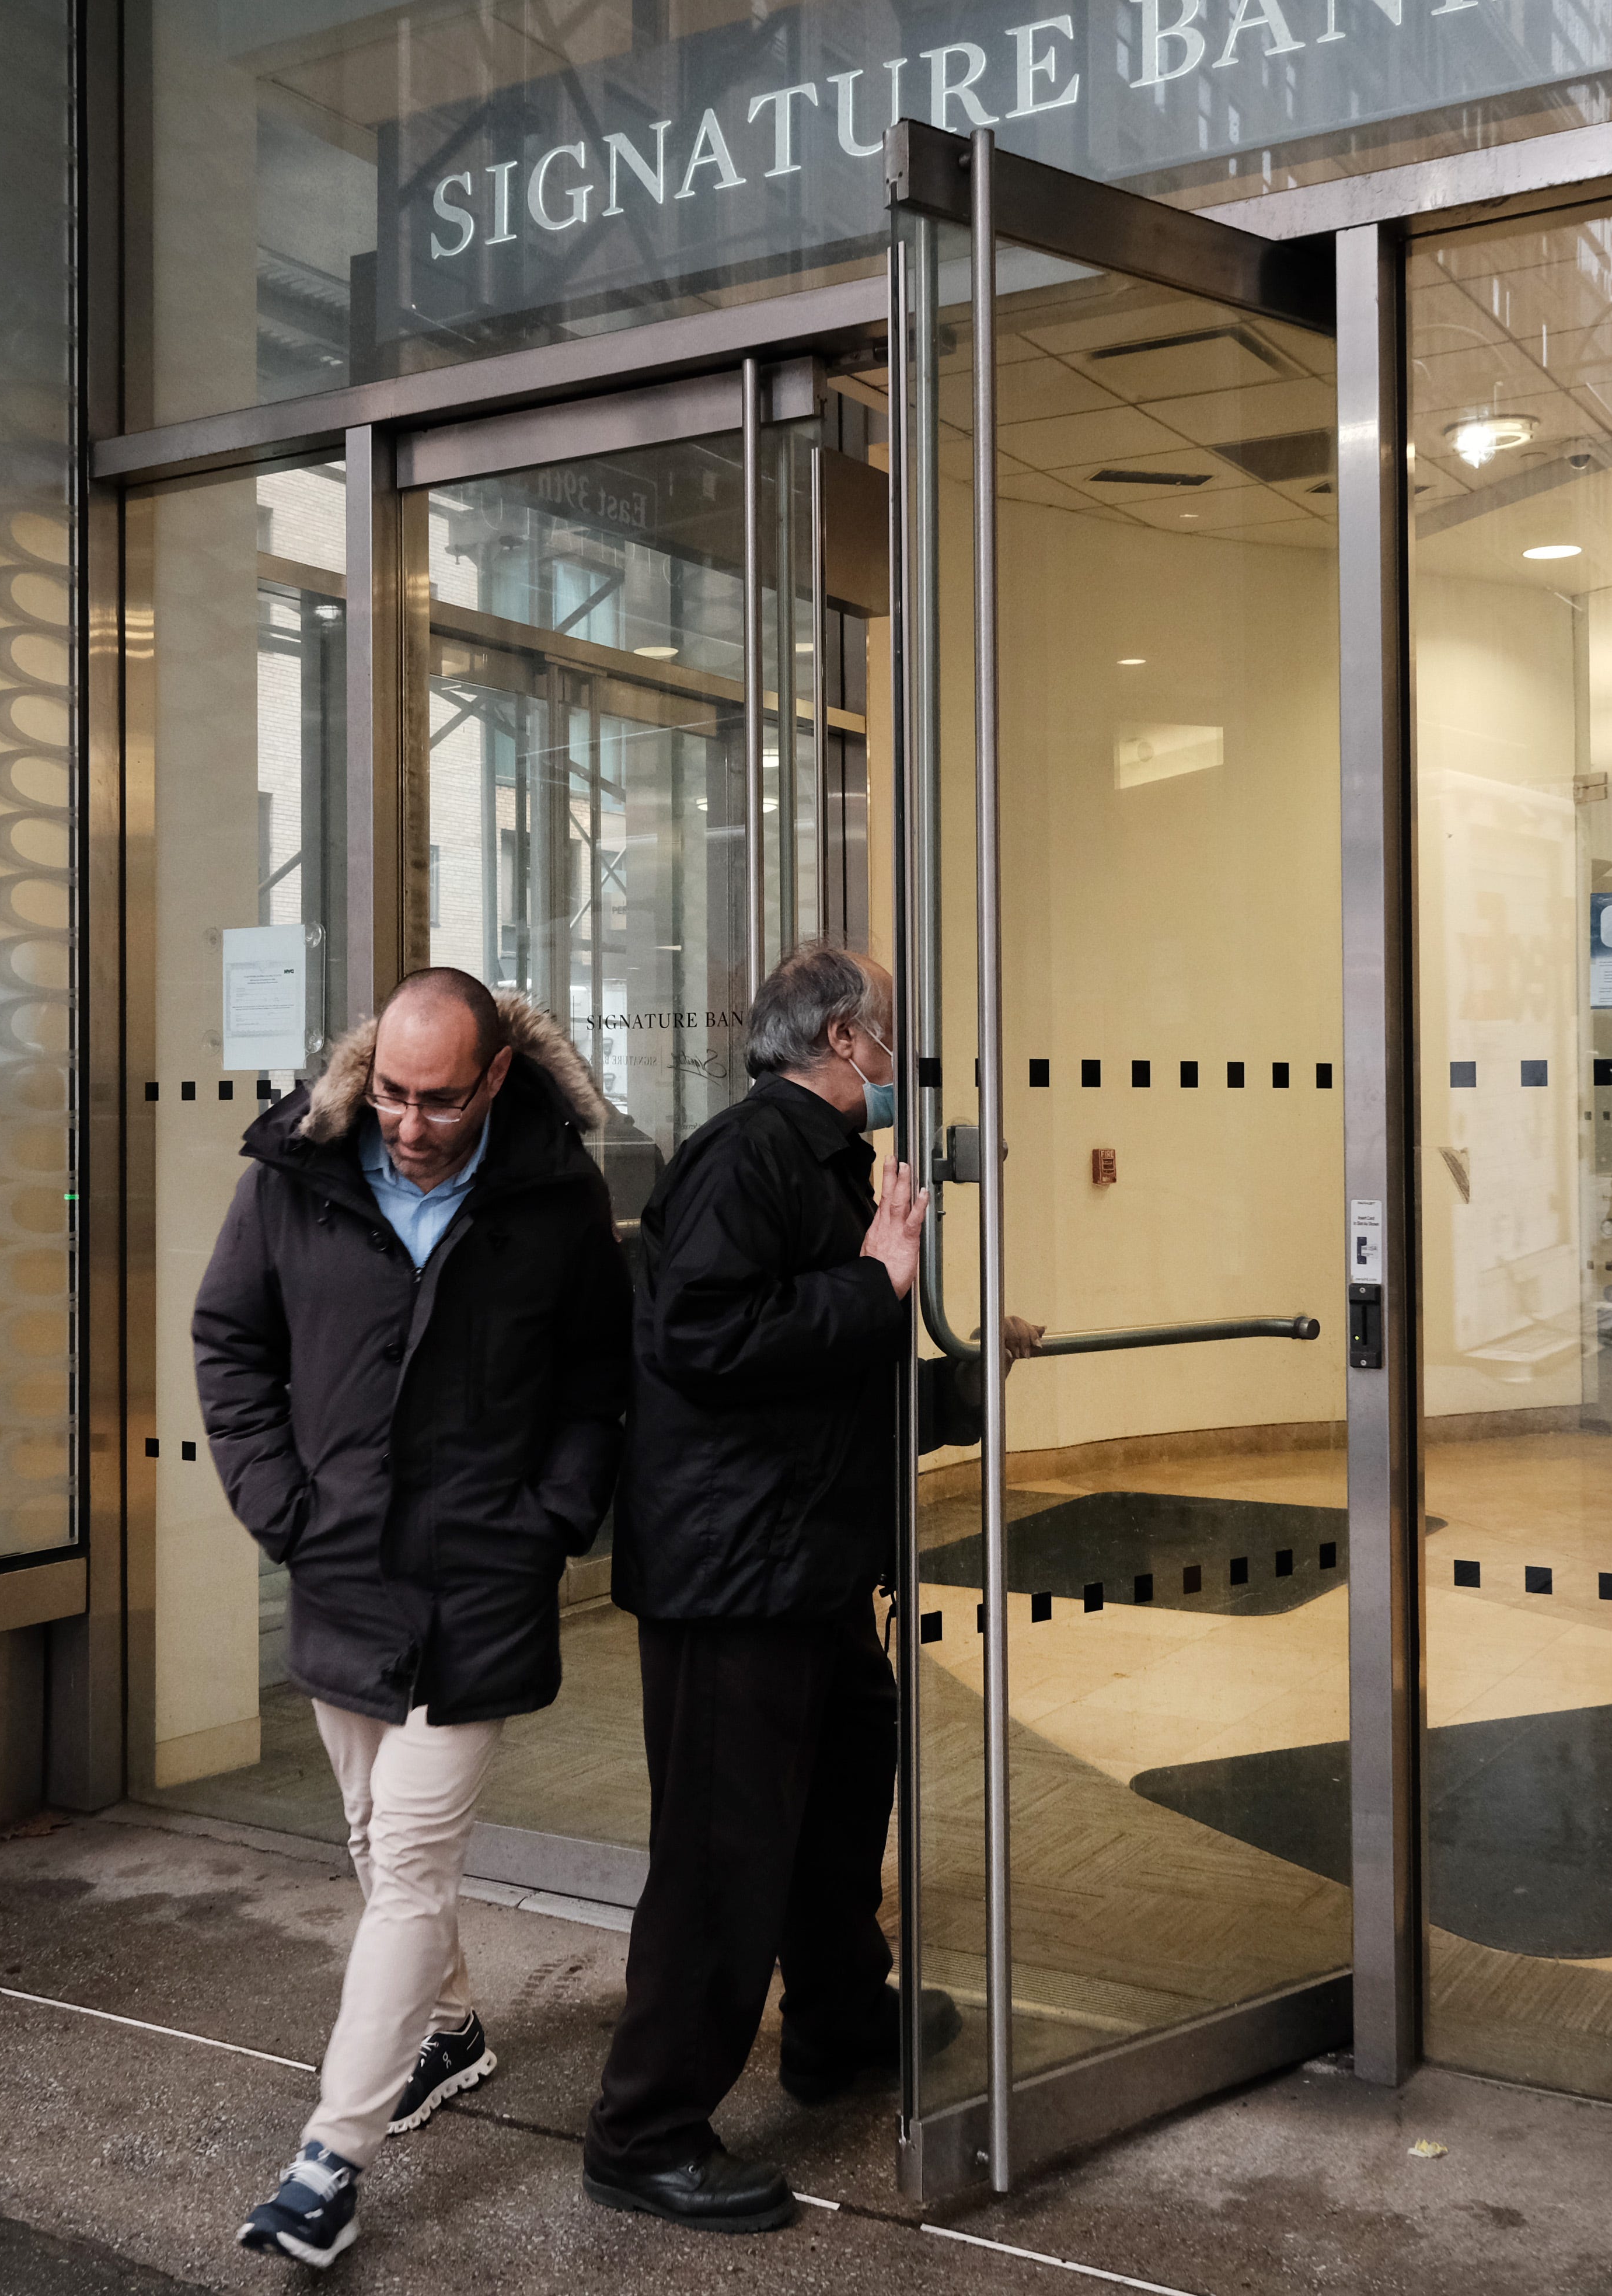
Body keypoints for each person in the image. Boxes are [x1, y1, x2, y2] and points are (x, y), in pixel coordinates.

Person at [583, 942, 1038, 2232]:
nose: (901, 1056)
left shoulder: (826, 1160)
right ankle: (644, 2128)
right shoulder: (746, 1156)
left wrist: (956, 1369)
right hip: (736, 1580)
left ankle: (839, 2018)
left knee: (842, 1795)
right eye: (890, 1031)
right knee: (722, 1860)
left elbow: (828, 1370)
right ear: (844, 1038)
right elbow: (702, 1341)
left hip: (806, 1563)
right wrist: (871, 1283)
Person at [195, 967, 631, 2269]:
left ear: (495, 1077)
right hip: (338, 1569)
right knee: (370, 1834)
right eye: (390, 1089)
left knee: (409, 1867)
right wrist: (280, 1504)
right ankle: (448, 2030)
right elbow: (230, 1337)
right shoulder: (296, 1171)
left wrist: (550, 1516)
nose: (409, 1120)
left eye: (439, 1099)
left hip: (481, 1589)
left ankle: (330, 2158)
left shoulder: (554, 1195)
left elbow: (596, 1380)